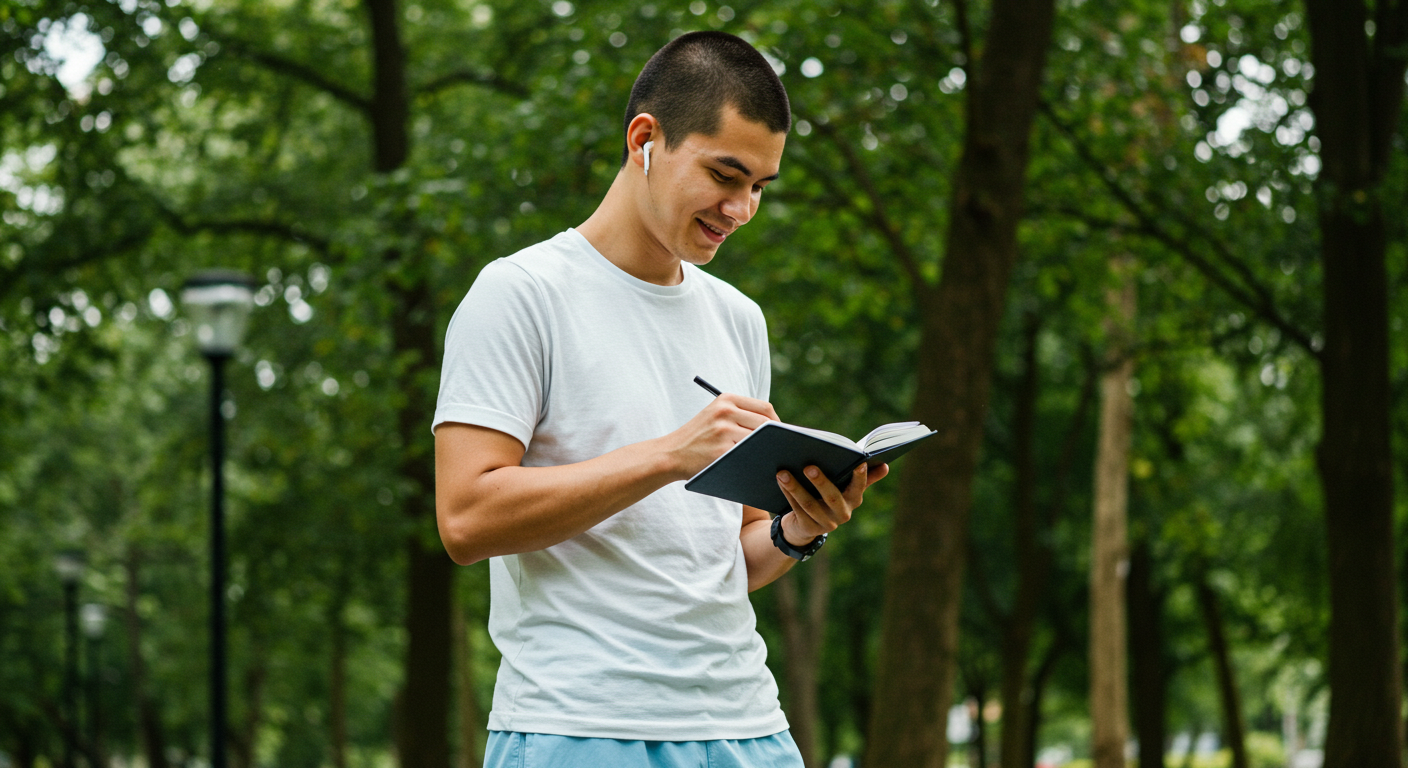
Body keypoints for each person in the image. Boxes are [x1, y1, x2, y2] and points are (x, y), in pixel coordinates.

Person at [433, 30, 889, 768]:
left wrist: (798, 529)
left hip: (748, 727)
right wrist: (669, 456)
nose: (742, 209)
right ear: (645, 138)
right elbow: (464, 517)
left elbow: (727, 558)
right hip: (581, 727)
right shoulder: (520, 295)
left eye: (760, 188)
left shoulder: (739, 318)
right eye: (725, 174)